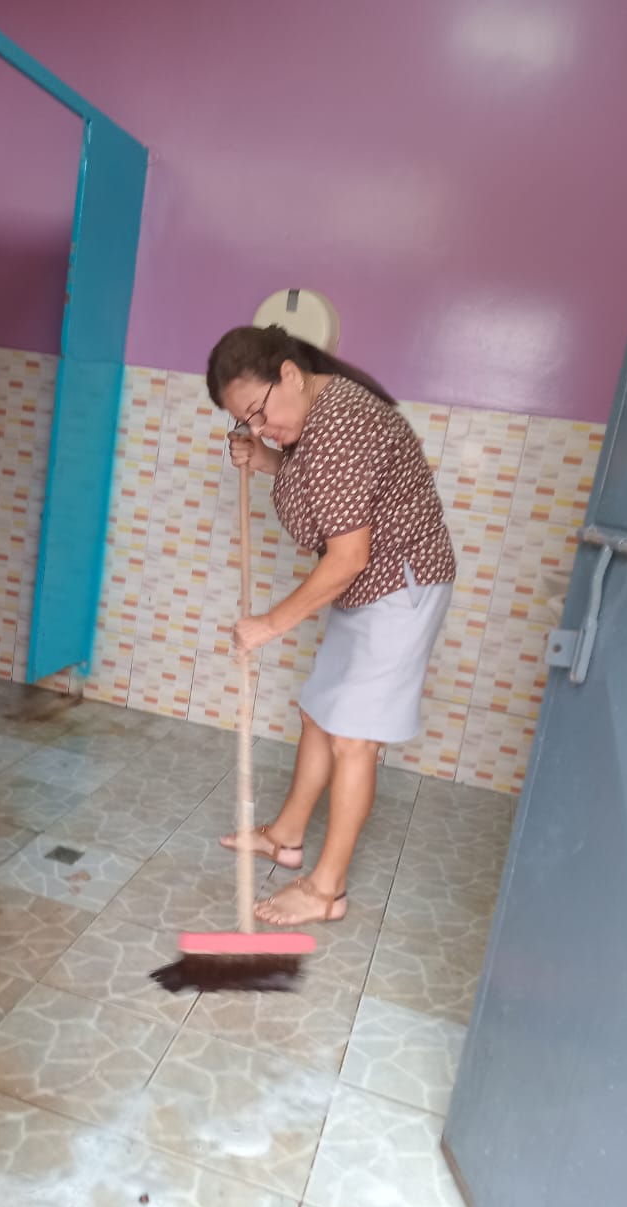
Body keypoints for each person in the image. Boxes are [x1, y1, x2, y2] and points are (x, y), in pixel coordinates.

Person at [206, 324, 456, 927]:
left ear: (290, 375)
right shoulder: (315, 415)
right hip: (366, 588)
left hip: (397, 589)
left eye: (259, 412)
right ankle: (286, 837)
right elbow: (323, 485)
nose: (259, 427)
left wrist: (269, 624)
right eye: (245, 422)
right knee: (320, 713)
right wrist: (265, 458)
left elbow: (348, 557)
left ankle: (326, 891)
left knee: (353, 740)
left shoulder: (344, 421)